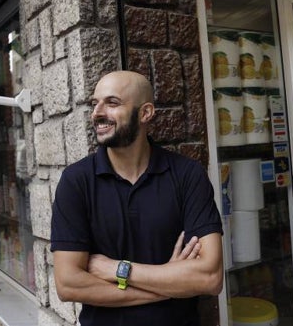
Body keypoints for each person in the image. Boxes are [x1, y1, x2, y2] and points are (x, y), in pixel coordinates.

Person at [50, 71, 224, 326]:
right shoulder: (76, 181)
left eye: (112, 103)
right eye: (94, 103)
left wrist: (117, 269)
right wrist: (169, 284)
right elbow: (68, 285)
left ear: (145, 113)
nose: (97, 112)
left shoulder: (187, 175)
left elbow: (210, 278)